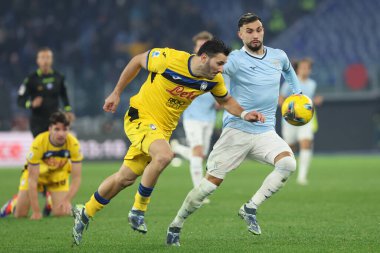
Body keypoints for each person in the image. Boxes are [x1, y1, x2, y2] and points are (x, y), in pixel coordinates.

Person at [71, 39, 265, 246]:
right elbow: (137, 60)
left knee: (124, 178)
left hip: (162, 131)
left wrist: (244, 113)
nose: (222, 68)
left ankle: (86, 210)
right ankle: (138, 210)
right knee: (164, 155)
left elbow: (226, 101)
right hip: (141, 117)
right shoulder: (168, 59)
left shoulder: (214, 80)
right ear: (204, 57)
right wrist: (117, 92)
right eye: (219, 63)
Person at [166, 12, 302, 246]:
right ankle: (176, 224)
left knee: (288, 163)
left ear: (263, 31)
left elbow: (289, 71)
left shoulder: (279, 56)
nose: (255, 34)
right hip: (236, 131)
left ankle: (250, 207)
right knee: (207, 187)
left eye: (258, 29)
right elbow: (209, 70)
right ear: (240, 34)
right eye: (249, 31)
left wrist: (297, 94)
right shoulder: (234, 60)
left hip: (265, 131)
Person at [0, 111, 83, 219]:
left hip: (57, 176)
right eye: (57, 129)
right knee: (20, 215)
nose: (61, 134)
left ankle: (50, 200)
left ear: (68, 130)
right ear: (50, 129)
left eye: (64, 129)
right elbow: (32, 180)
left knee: (61, 213)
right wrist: (36, 211)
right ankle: (14, 203)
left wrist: (67, 200)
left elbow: (76, 178)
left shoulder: (74, 144)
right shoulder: (38, 143)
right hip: (37, 176)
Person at [171, 31, 218, 193]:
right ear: (195, 48)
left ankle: (177, 148)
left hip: (209, 116)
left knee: (200, 155)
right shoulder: (187, 65)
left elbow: (221, 92)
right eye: (200, 46)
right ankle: (199, 192)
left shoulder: (217, 69)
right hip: (192, 117)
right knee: (197, 153)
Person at [279, 58, 323, 185]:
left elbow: (308, 102)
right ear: (297, 69)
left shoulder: (312, 84)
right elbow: (281, 99)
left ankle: (302, 177)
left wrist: (315, 101)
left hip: (306, 120)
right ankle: (284, 174)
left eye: (307, 67)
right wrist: (290, 108)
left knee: (306, 143)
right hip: (291, 121)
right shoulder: (289, 83)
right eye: (303, 67)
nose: (305, 70)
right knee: (290, 148)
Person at [17, 47, 75, 137]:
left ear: (52, 60)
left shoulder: (58, 77)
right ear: (38, 61)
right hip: (38, 122)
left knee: (55, 148)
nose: (45, 61)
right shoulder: (31, 79)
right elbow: (20, 100)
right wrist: (31, 104)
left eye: (48, 57)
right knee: (40, 149)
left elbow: (64, 96)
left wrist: (68, 110)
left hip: (55, 120)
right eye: (42, 58)